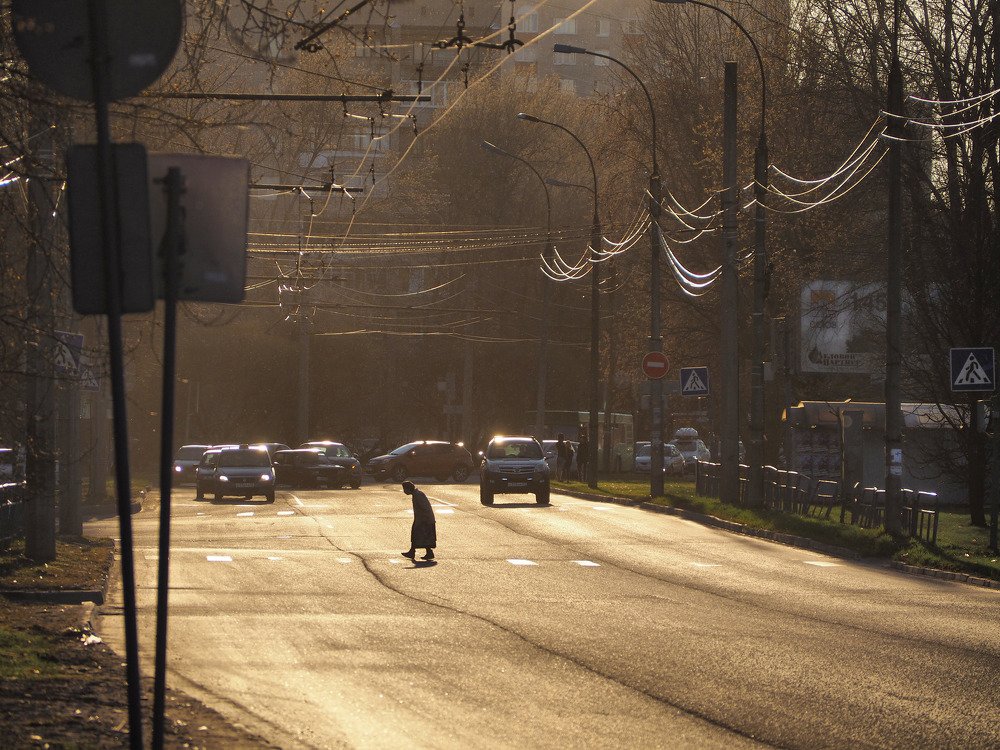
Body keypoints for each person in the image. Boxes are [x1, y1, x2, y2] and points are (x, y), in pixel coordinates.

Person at [401, 481, 436, 561]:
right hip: (421, 519)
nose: (404, 491)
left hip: (425, 520)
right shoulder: (416, 494)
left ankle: (414, 552)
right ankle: (425, 552)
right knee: (419, 536)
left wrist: (424, 520)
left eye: (404, 489)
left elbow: (425, 508)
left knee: (419, 535)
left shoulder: (418, 495)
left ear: (408, 489)